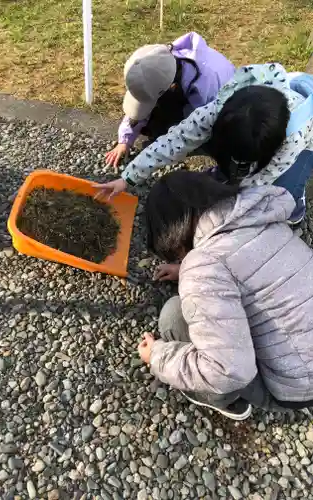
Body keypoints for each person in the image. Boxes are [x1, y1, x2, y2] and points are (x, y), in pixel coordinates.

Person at [138, 170, 313, 420]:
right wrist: (185, 267)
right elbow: (247, 265)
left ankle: (225, 401)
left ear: (172, 232)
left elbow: (228, 371)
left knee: (173, 316)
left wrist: (156, 355)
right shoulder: (262, 219)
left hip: (294, 391)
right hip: (303, 363)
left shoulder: (204, 266)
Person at [97, 63, 313, 225]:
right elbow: (176, 140)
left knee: (278, 195)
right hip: (276, 100)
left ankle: (296, 197)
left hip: (306, 142)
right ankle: (231, 173)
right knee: (233, 176)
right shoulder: (221, 110)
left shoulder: (293, 136)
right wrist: (128, 178)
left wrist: (222, 221)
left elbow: (260, 183)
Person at [105, 32, 235, 167]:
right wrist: (125, 140)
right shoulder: (160, 64)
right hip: (190, 96)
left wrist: (157, 154)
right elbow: (142, 97)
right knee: (158, 120)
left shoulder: (205, 87)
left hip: (225, 116)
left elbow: (194, 129)